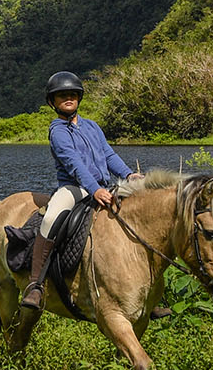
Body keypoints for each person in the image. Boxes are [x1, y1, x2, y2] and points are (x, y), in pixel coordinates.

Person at [20, 71, 143, 311]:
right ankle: (35, 284)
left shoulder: (92, 127)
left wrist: (128, 175)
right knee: (52, 218)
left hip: (103, 185)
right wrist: (95, 189)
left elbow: (108, 154)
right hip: (73, 188)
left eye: (72, 94)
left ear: (79, 98)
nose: (68, 98)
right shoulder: (58, 131)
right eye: (62, 95)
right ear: (52, 102)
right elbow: (73, 164)